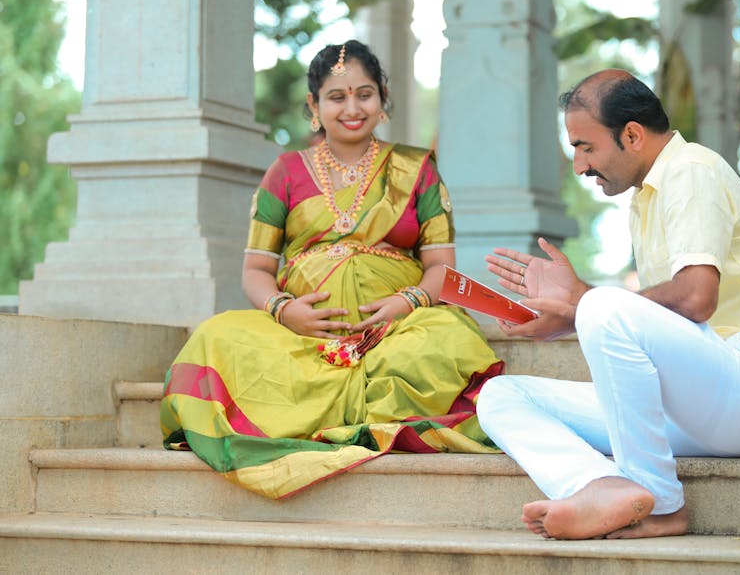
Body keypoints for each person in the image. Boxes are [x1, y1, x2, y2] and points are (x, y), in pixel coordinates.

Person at [161, 40, 503, 499]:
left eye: (364, 94)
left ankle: (337, 410)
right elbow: (256, 270)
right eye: (337, 97)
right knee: (215, 336)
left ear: (382, 97)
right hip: (303, 335)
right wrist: (285, 311)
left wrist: (408, 302)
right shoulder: (284, 172)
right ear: (314, 104)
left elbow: (442, 267)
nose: (352, 108)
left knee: (448, 341)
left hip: (395, 329)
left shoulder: (416, 168)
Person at [475, 69, 740, 540]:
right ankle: (604, 488)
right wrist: (578, 299)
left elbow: (696, 296)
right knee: (501, 396)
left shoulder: (691, 170)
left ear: (631, 135)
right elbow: (654, 315)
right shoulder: (645, 198)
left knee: (603, 307)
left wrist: (584, 309)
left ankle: (661, 503)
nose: (580, 166)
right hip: (694, 407)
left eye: (586, 147)